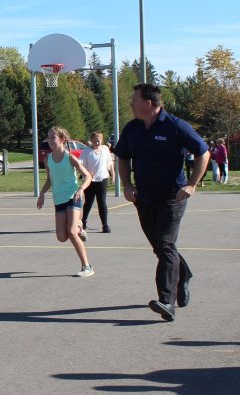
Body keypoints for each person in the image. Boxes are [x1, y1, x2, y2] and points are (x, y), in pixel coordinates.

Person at [114, 83, 209, 322]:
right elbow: (122, 157)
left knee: (165, 245)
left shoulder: (176, 126)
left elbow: (203, 152)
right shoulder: (132, 128)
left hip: (171, 196)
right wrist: (126, 184)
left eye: (134, 99)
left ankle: (167, 301)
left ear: (148, 104)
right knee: (160, 247)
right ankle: (183, 273)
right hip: (143, 197)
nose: (130, 103)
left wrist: (191, 184)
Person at [37, 127, 94, 277]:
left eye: (53, 137)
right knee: (62, 237)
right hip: (59, 199)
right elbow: (50, 180)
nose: (49, 140)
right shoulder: (47, 159)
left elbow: (88, 176)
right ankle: (80, 229)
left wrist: (81, 189)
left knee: (71, 232)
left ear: (62, 140)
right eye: (48, 137)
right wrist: (42, 194)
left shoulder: (70, 157)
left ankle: (87, 266)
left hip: (73, 196)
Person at [81, 131, 115, 233]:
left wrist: (112, 174)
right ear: (91, 141)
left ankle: (105, 225)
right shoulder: (86, 151)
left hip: (102, 178)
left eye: (99, 140)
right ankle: (84, 221)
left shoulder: (105, 149)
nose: (97, 142)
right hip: (90, 180)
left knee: (102, 202)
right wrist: (86, 173)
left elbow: (109, 162)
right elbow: (80, 163)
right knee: (88, 202)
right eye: (95, 140)